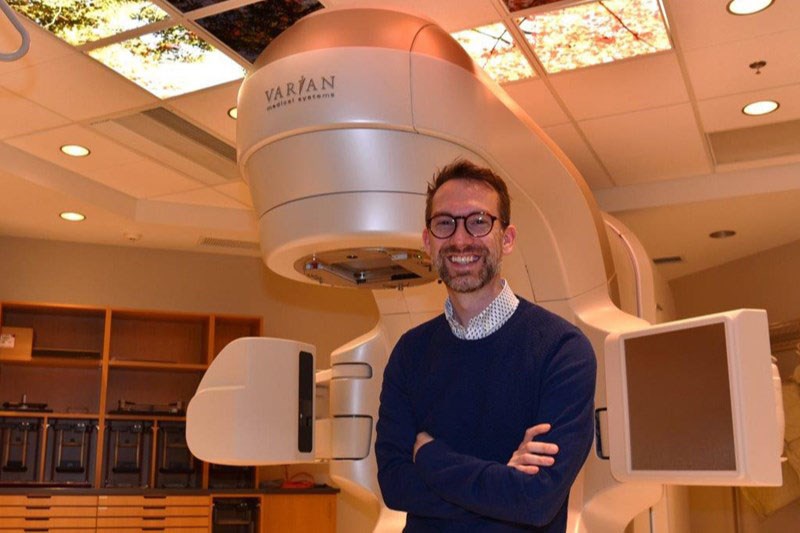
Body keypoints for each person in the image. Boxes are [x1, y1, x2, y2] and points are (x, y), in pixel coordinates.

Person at [375, 159, 597, 532]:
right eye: (445, 223)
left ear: (506, 239)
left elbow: (537, 501)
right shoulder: (409, 354)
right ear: (428, 242)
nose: (460, 240)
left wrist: (429, 456)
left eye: (478, 222)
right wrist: (503, 482)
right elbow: (395, 486)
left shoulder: (563, 351)